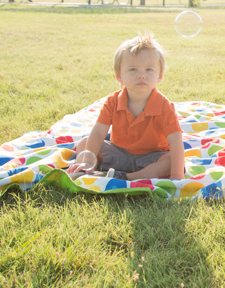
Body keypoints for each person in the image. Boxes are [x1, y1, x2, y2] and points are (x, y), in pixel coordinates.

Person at [66, 32, 185, 181]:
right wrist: (87, 161)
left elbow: (176, 142)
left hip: (151, 158)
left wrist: (177, 178)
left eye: (149, 69)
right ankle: (87, 170)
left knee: (171, 161)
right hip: (119, 154)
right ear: (119, 75)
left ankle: (127, 177)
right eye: (133, 69)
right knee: (84, 143)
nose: (141, 75)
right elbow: (98, 132)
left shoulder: (164, 106)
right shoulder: (113, 101)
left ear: (160, 75)